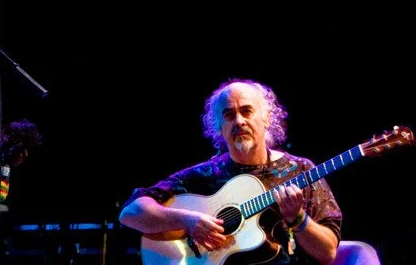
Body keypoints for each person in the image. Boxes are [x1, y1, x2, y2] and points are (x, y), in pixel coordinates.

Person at [119, 78, 345, 264]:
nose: (239, 121)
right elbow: (130, 213)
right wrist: (186, 220)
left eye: (247, 111)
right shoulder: (203, 176)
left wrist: (298, 218)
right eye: (229, 115)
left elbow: (327, 254)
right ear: (219, 126)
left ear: (266, 118)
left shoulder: (300, 170)